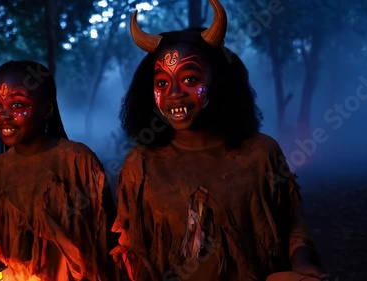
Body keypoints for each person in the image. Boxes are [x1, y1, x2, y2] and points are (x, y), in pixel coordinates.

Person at [110, 0, 329, 280]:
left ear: (220, 83)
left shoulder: (261, 153)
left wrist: (302, 264)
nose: (174, 93)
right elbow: (135, 249)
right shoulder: (139, 164)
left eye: (190, 79)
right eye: (162, 83)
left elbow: (291, 222)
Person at [0, 60, 117, 281]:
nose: (3, 115)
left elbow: (108, 244)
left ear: (47, 109)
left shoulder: (78, 161)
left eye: (17, 105)